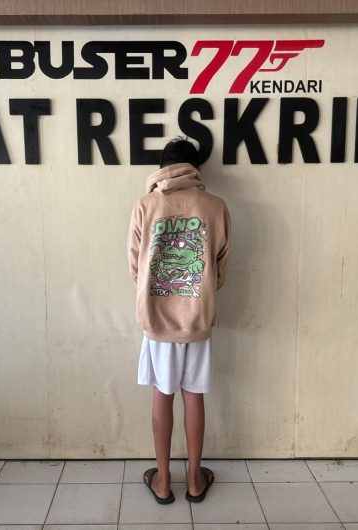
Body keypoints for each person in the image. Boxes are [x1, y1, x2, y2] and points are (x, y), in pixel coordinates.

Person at [126, 137, 231, 504]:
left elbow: (135, 266)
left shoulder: (145, 205)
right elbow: (219, 268)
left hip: (158, 319)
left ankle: (162, 481)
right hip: (196, 318)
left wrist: (157, 294)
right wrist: (198, 293)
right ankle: (195, 480)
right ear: (196, 169)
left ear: (162, 168)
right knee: (194, 395)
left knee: (162, 394)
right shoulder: (215, 206)